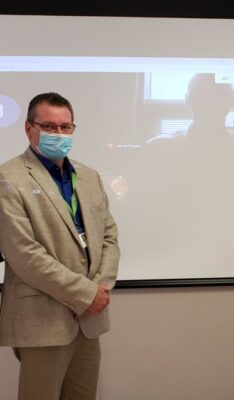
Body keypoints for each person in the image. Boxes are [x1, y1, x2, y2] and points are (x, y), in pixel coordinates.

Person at [0, 92, 120, 400]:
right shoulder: (7, 178)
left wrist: (101, 288)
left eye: (66, 127)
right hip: (42, 320)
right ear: (29, 129)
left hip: (89, 320)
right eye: (50, 126)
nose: (59, 134)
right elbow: (23, 254)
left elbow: (109, 237)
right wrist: (84, 294)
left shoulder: (89, 177)